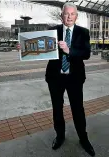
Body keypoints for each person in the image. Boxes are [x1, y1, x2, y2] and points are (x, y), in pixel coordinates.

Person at [45, 2, 95, 156]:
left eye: (72, 14)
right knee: (57, 108)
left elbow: (86, 54)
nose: (69, 16)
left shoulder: (83, 32)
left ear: (76, 16)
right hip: (55, 77)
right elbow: (43, 50)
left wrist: (69, 50)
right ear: (62, 15)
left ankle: (83, 139)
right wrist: (25, 47)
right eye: (66, 13)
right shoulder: (52, 31)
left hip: (75, 78)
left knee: (77, 109)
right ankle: (60, 136)